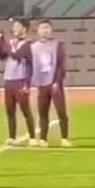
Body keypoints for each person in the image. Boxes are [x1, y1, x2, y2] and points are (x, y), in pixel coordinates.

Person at [31, 19, 71, 147]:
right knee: (43, 112)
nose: (45, 30)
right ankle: (43, 139)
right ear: (38, 31)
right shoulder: (34, 47)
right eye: (42, 28)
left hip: (54, 83)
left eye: (47, 27)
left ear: (51, 29)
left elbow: (61, 64)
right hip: (41, 84)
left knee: (61, 111)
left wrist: (56, 81)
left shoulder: (57, 44)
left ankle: (64, 138)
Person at [0, 19, 37, 146]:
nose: (14, 28)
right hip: (8, 79)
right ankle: (12, 136)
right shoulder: (11, 42)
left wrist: (27, 84)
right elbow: (2, 56)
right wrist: (0, 44)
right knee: (10, 110)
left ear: (24, 28)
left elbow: (18, 56)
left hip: (20, 80)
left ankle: (32, 137)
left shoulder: (28, 44)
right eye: (14, 26)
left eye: (17, 26)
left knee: (25, 110)